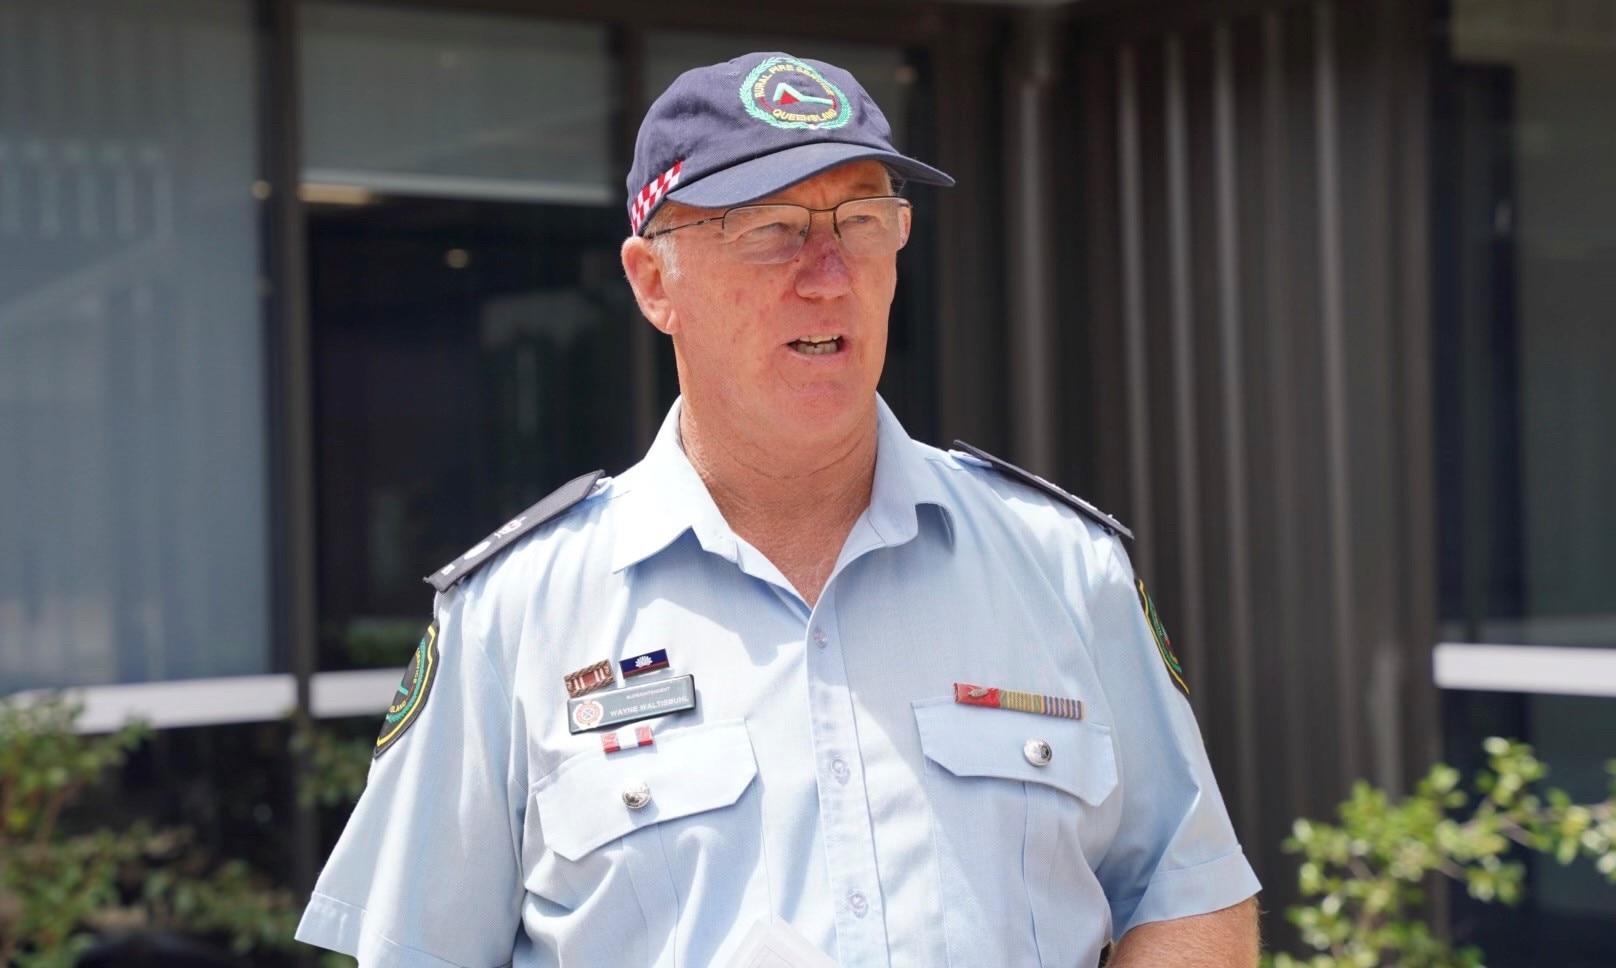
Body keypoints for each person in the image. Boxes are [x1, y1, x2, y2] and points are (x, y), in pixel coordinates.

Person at [295, 52, 1260, 967]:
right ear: (653, 282)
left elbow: (1189, 893)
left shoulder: (1060, 567)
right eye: (771, 229)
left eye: (863, 221)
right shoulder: (515, 617)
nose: (829, 274)